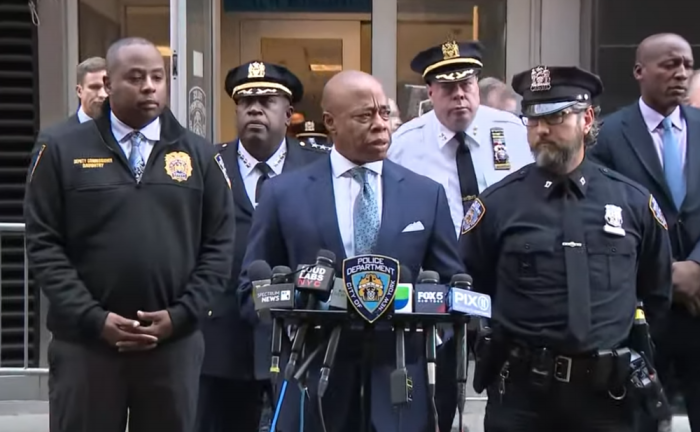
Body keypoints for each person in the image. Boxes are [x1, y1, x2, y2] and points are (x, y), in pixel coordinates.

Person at [24, 37, 235, 432]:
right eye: (136, 78)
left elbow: (219, 246)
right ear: (109, 83)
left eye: (157, 77)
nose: (149, 86)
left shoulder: (199, 155)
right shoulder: (60, 148)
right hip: (86, 348)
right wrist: (93, 318)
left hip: (171, 349)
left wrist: (181, 316)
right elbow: (43, 243)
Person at [237, 70, 464, 432]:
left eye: (384, 114)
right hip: (311, 386)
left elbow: (453, 288)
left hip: (399, 387)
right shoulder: (283, 194)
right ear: (331, 123)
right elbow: (250, 290)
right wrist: (292, 320)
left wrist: (428, 337)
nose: (380, 125)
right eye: (365, 116)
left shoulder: (426, 194)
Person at [459, 65, 673, 432]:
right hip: (523, 398)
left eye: (556, 117)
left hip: (610, 397)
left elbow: (656, 292)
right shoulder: (497, 205)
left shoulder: (632, 202)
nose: (541, 130)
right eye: (532, 119)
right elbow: (471, 288)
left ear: (587, 119)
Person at [388, 40, 532, 432]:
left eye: (466, 85)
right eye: (447, 89)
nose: (459, 97)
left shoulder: (512, 131)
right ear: (430, 92)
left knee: (512, 391)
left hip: (505, 278)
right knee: (441, 394)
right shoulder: (405, 144)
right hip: (440, 279)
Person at [197, 60, 330, 432]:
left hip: (298, 335)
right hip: (220, 336)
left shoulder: (318, 168)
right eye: (245, 101)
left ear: (288, 113)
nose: (254, 108)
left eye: (267, 101)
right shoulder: (207, 165)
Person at [587, 33, 700, 431]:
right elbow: (600, 215)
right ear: (640, 71)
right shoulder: (608, 135)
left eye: (686, 64)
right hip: (640, 311)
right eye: (670, 64)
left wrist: (696, 265)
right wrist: (666, 271)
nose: (681, 73)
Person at [36, 56, 107, 141]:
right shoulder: (53, 138)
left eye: (108, 87)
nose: (103, 94)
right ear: (79, 91)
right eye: (94, 87)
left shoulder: (123, 135)